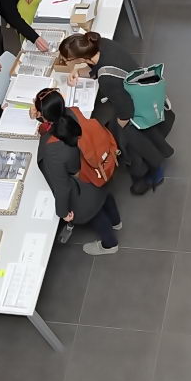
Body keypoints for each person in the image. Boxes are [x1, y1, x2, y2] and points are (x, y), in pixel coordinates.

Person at [58, 32, 174, 195]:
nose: (66, 61)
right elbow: (100, 66)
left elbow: (126, 113)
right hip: (142, 93)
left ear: (81, 58)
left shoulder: (107, 81)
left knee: (128, 141)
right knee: (122, 133)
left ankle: (150, 174)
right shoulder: (103, 44)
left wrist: (118, 130)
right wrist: (79, 72)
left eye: (68, 60)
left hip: (133, 109)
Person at [34, 88, 123, 256]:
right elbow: (58, 118)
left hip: (85, 183)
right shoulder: (73, 112)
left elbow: (62, 187)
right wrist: (41, 116)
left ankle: (110, 244)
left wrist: (62, 212)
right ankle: (116, 222)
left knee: (94, 213)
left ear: (44, 115)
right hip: (100, 169)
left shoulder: (52, 149)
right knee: (105, 197)